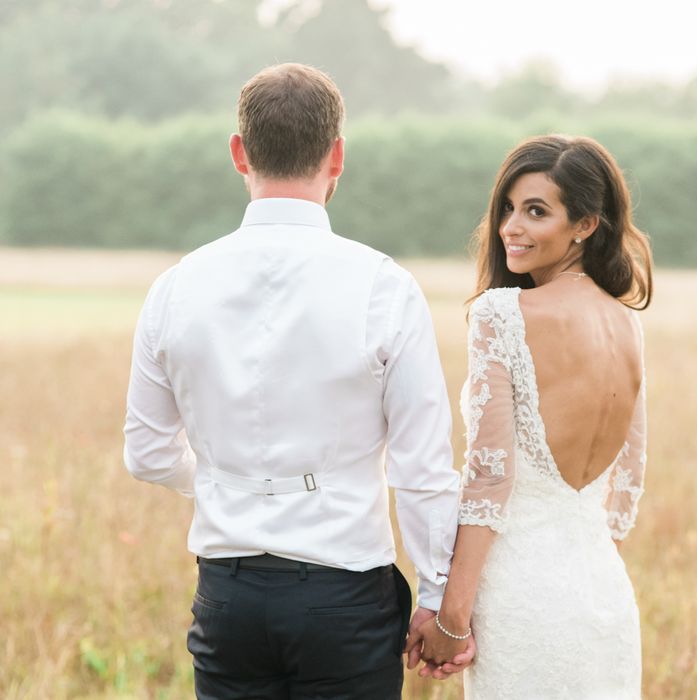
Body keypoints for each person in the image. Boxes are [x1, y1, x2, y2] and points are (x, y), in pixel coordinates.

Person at [122, 63, 465, 699]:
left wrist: (234, 481)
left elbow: (145, 455)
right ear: (337, 156)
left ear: (238, 153)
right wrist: (438, 601)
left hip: (228, 599)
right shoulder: (384, 287)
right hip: (345, 597)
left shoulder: (174, 288)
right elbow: (422, 467)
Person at [407, 134, 653, 698]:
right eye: (508, 209)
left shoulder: (503, 314)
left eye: (536, 211)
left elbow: (489, 481)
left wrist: (451, 620)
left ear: (585, 224)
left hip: (523, 601)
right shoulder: (627, 324)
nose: (510, 228)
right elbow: (628, 482)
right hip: (604, 599)